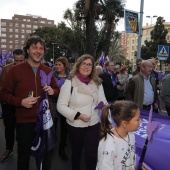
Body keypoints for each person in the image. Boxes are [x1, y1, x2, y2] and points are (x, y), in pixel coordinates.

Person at [0, 36, 59, 170]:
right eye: (34, 47)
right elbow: (3, 94)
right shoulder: (15, 71)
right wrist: (20, 101)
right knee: (23, 156)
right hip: (24, 121)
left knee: (46, 155)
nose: (38, 51)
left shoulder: (48, 71)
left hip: (45, 121)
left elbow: (57, 91)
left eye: (41, 48)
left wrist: (53, 92)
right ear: (27, 50)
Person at [57, 54, 107, 170]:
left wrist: (104, 106)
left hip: (93, 124)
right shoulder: (69, 83)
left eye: (89, 64)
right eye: (84, 63)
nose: (86, 66)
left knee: (92, 154)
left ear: (93, 67)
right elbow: (60, 106)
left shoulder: (97, 83)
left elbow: (103, 101)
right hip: (76, 124)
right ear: (78, 65)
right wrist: (78, 116)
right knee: (77, 153)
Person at [96, 100, 148, 170]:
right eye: (137, 119)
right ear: (124, 124)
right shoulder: (107, 146)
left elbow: (129, 153)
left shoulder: (130, 134)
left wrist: (137, 162)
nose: (140, 121)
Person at [0, 49, 25, 162]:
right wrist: (4, 100)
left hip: (23, 104)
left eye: (21, 61)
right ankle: (9, 149)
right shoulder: (7, 68)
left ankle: (21, 148)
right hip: (9, 104)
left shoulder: (29, 69)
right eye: (16, 61)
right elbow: (2, 86)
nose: (18, 63)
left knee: (22, 127)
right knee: (9, 127)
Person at [54, 57, 70, 161]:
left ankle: (62, 149)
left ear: (65, 66)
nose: (57, 66)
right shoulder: (51, 75)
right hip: (53, 104)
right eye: (56, 64)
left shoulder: (70, 77)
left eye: (59, 64)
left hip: (66, 106)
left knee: (64, 129)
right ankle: (50, 147)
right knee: (52, 128)